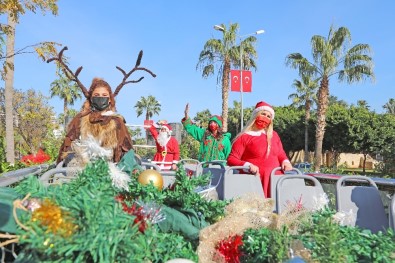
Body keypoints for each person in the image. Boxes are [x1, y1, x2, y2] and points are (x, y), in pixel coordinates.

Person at [57, 78, 133, 164]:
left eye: (104, 95)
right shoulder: (80, 120)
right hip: (82, 169)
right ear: (91, 98)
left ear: (109, 99)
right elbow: (67, 148)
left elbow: (126, 152)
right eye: (96, 95)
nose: (100, 98)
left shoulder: (117, 122)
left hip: (110, 170)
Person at [227, 101, 292, 198]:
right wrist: (247, 165)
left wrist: (285, 161)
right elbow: (231, 159)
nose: (265, 117)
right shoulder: (244, 137)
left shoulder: (274, 135)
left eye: (269, 116)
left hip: (276, 180)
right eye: (263, 114)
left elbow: (280, 153)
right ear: (256, 115)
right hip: (255, 182)